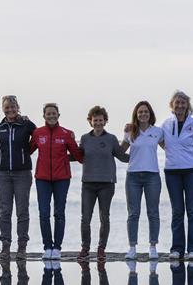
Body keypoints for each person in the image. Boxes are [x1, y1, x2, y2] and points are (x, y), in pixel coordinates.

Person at [30, 103, 83, 260]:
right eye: (48, 114)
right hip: (42, 179)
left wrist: (65, 158)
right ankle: (47, 247)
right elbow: (27, 150)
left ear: (58, 115)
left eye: (54, 113)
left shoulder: (66, 134)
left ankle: (57, 248)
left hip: (62, 179)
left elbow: (79, 156)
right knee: (44, 214)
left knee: (59, 213)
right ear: (44, 116)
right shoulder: (38, 133)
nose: (51, 116)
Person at [161, 91, 193, 260]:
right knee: (177, 211)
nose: (180, 106)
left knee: (192, 210)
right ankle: (177, 249)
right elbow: (155, 139)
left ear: (187, 105)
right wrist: (132, 129)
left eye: (183, 103)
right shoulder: (166, 124)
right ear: (172, 105)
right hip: (172, 172)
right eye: (177, 103)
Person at [77, 105, 129, 261]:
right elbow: (78, 156)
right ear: (90, 122)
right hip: (88, 184)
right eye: (95, 120)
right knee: (85, 218)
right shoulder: (85, 139)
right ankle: (85, 248)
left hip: (107, 183)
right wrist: (58, 154)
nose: (98, 123)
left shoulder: (111, 139)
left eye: (101, 120)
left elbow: (121, 156)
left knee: (104, 217)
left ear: (105, 121)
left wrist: (141, 156)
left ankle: (101, 248)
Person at [121, 101, 164, 260]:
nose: (143, 114)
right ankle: (132, 247)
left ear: (150, 114)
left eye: (146, 111)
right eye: (140, 112)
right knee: (133, 213)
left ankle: (153, 246)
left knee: (153, 212)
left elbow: (170, 149)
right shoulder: (131, 131)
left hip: (152, 176)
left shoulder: (158, 132)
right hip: (133, 176)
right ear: (136, 114)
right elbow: (120, 152)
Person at [0, 95, 37, 259]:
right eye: (7, 107)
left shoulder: (26, 124)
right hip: (3, 173)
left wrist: (27, 153)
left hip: (22, 173)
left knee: (22, 210)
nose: (10, 110)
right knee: (5, 211)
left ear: (17, 107)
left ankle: (22, 247)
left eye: (13, 107)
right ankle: (5, 246)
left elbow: (41, 136)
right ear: (3, 109)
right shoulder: (0, 126)